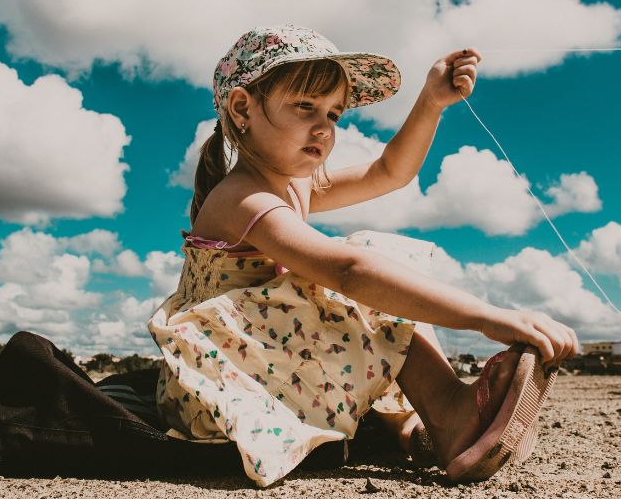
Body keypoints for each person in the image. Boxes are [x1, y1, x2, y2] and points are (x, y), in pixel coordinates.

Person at [147, 24, 579, 487]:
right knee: (355, 268)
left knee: (346, 291)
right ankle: (450, 411)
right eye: (305, 106)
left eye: (334, 114)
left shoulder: (295, 185)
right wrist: (486, 317)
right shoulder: (241, 197)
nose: (323, 127)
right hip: (217, 385)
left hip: (265, 359)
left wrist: (431, 102)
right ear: (242, 108)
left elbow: (388, 171)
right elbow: (348, 272)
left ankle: (415, 427)